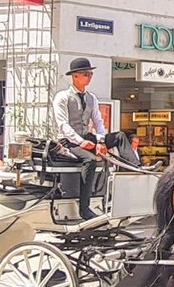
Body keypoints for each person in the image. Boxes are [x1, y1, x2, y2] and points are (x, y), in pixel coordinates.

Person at [52, 57, 124, 220]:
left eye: (91, 74)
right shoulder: (62, 97)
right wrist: (80, 141)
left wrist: (101, 140)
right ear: (75, 76)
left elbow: (98, 122)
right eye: (86, 74)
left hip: (88, 137)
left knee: (119, 136)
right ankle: (84, 208)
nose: (89, 77)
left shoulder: (91, 98)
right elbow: (63, 124)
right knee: (90, 161)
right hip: (68, 141)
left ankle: (135, 168)